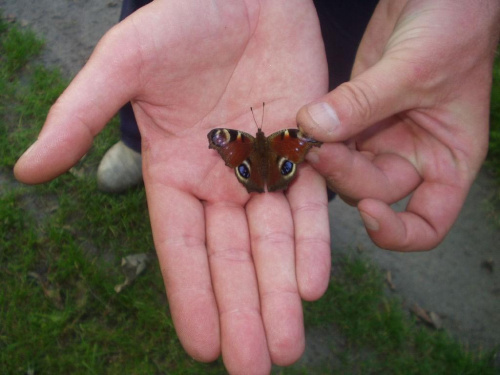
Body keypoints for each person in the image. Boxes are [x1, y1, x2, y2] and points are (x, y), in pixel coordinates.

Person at [13, 0, 500, 374]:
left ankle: (249, 176)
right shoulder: (281, 139)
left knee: (331, 66)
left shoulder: (246, 141)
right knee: (160, 83)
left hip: (348, 13)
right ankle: (135, 143)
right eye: (233, 145)